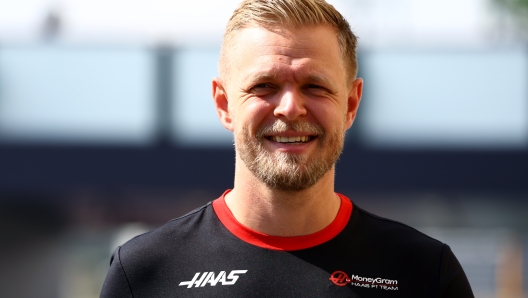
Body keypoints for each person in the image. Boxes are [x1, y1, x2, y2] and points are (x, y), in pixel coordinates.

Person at [100, 0, 474, 297]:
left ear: (350, 104)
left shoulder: (425, 273)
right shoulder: (144, 273)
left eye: (315, 86)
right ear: (224, 103)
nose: (290, 108)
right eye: (264, 85)